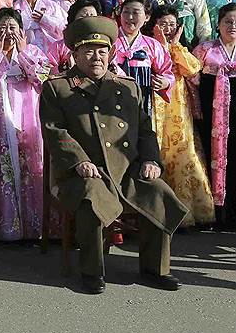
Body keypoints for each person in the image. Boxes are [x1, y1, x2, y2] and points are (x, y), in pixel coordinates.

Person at [40, 15, 189, 294]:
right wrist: (79, 161)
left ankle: (154, 270)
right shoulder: (57, 88)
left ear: (110, 54)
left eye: (102, 51)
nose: (96, 57)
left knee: (158, 191)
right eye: (88, 50)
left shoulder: (127, 86)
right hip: (80, 171)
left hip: (126, 169)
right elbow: (55, 132)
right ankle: (91, 271)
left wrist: (150, 160)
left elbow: (146, 131)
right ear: (75, 54)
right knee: (91, 198)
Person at [0, 7, 50, 240]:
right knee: (1, 169)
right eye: (2, 28)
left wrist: (24, 52)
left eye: (13, 28)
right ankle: (7, 228)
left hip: (28, 122)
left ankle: (35, 227)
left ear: (23, 32)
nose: (8, 33)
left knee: (32, 170)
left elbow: (42, 81)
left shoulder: (34, 52)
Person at [145, 5, 215, 227]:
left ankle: (186, 213)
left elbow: (193, 69)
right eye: (162, 23)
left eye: (171, 24)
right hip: (154, 105)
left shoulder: (179, 48)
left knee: (182, 154)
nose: (167, 28)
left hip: (178, 108)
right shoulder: (147, 46)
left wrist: (174, 45)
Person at [193, 3, 236, 229]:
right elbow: (191, 81)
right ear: (218, 24)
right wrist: (197, 109)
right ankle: (214, 213)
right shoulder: (204, 49)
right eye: (228, 21)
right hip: (211, 117)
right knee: (212, 159)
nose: (233, 26)